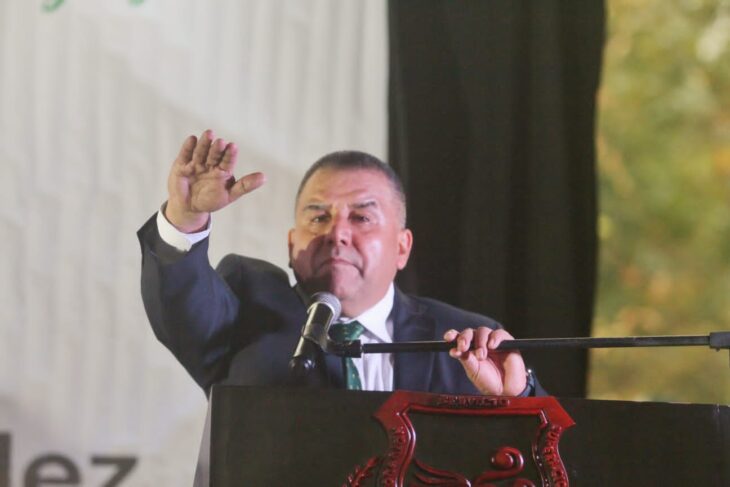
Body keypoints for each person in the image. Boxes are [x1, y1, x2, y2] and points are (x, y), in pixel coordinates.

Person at [138, 129, 543, 397]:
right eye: (318, 218)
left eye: (361, 217)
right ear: (292, 244)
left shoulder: (466, 341)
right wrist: (185, 218)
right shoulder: (247, 306)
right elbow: (182, 310)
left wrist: (517, 398)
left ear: (402, 247)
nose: (337, 234)